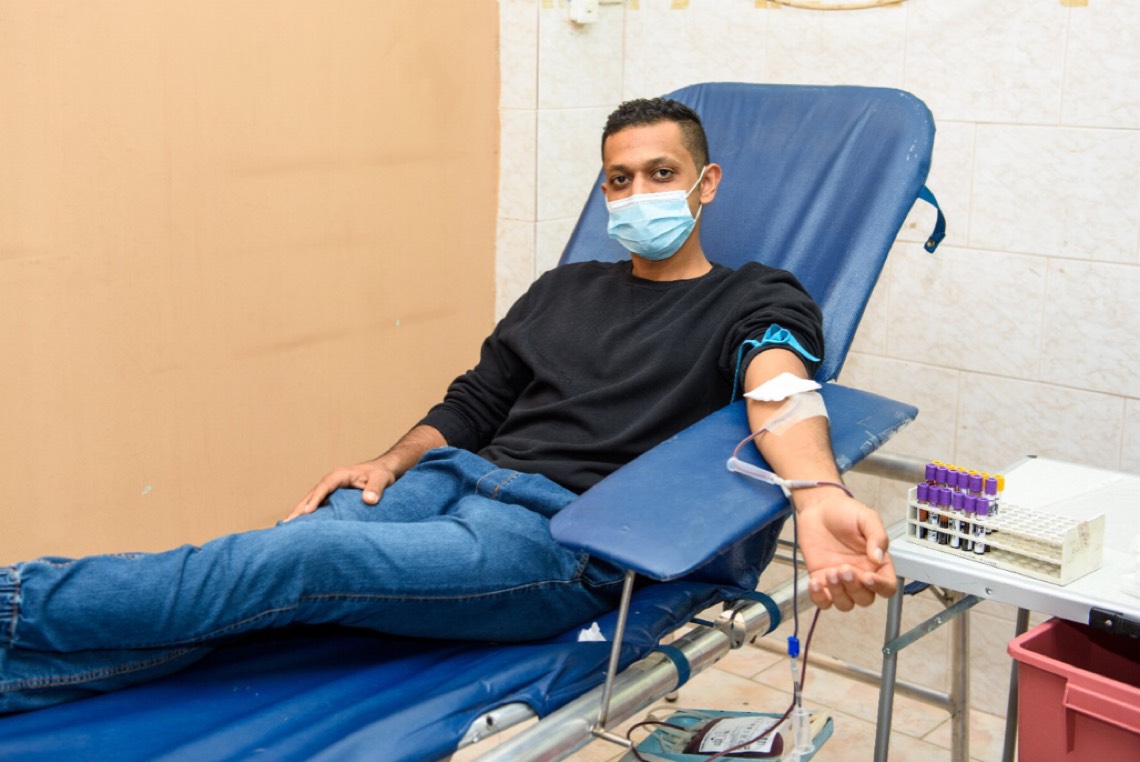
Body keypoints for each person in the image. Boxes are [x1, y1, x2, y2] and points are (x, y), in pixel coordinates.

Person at [0, 98, 896, 715]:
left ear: (707, 183)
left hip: (558, 539)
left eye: (661, 173)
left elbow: (779, 388)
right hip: (452, 480)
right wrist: (389, 462)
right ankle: (18, 680)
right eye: (619, 180)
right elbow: (477, 399)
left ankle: (14, 601)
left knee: (300, 562)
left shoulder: (753, 295)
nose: (636, 195)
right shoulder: (563, 288)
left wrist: (816, 495)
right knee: (277, 558)